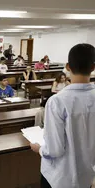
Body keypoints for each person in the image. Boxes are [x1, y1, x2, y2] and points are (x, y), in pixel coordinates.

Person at [30, 43, 95, 188]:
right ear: (93, 67)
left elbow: (54, 150)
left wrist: (39, 148)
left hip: (60, 177)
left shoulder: (57, 101)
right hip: (87, 174)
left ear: (68, 67)